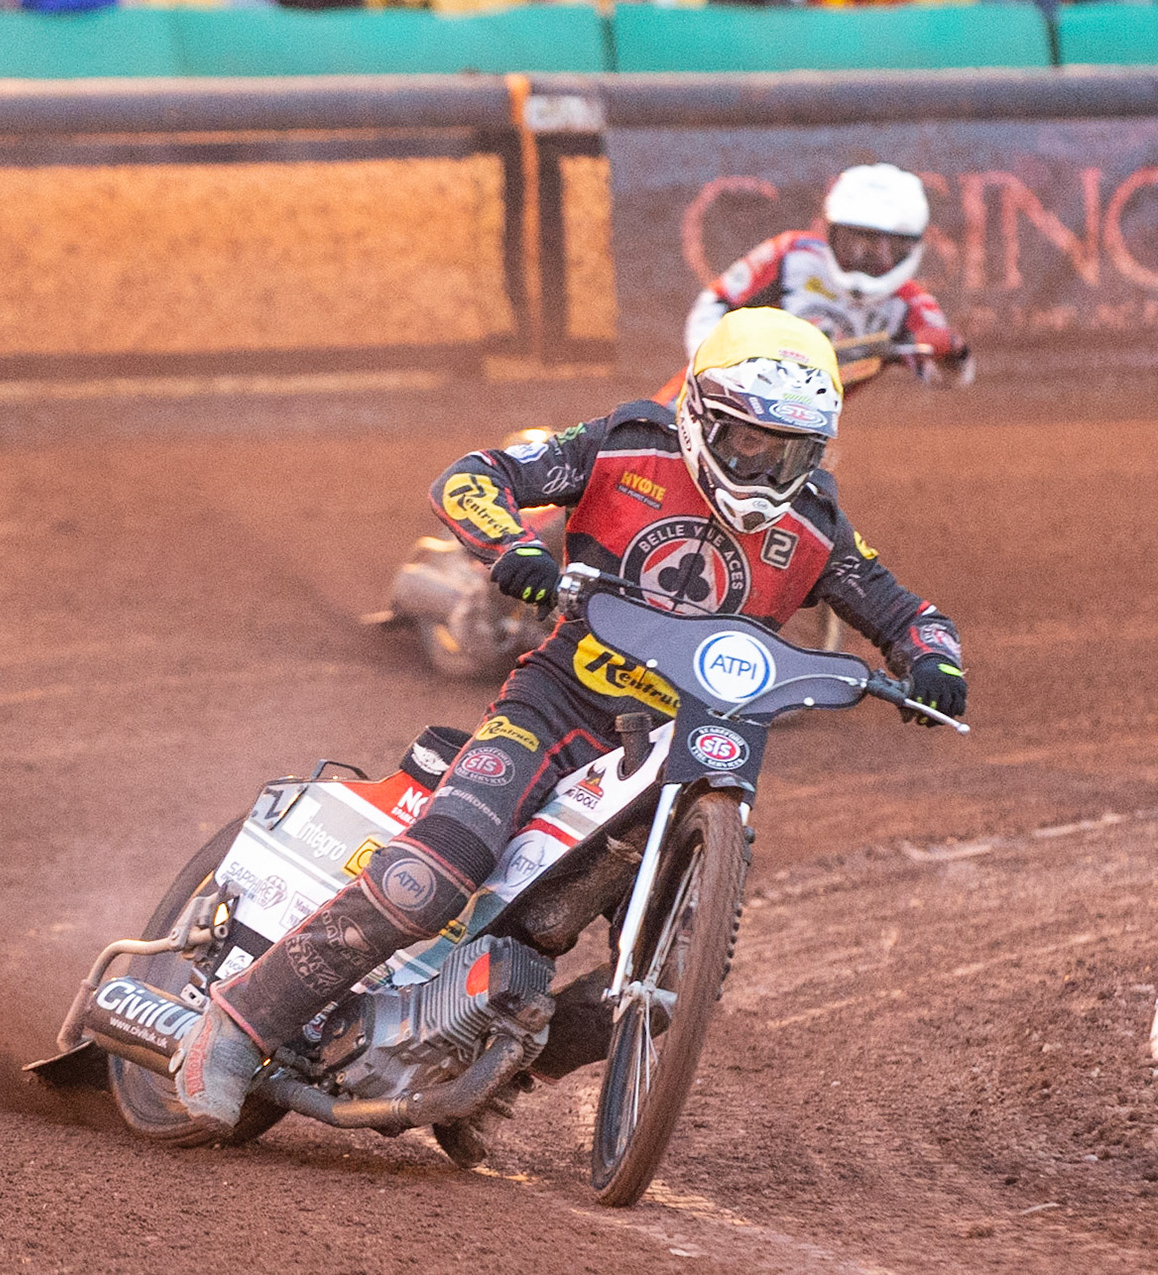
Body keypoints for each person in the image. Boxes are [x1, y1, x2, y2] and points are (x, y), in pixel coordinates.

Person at [173, 308, 967, 1131]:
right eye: (749, 440)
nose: (767, 467)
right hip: (556, 706)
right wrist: (509, 545)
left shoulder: (816, 523)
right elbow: (473, 477)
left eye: (793, 451)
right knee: (437, 870)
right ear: (701, 413)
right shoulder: (626, 445)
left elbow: (910, 613)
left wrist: (935, 660)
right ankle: (236, 1025)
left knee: (674, 973)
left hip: (684, 748)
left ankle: (492, 1074)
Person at [682, 163, 974, 390]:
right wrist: (716, 370)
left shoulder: (912, 307)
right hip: (718, 393)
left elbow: (949, 379)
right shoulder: (792, 254)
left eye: (883, 248)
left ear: (911, 246)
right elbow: (715, 302)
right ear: (831, 233)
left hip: (802, 423)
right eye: (853, 243)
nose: (864, 257)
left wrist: (952, 353)